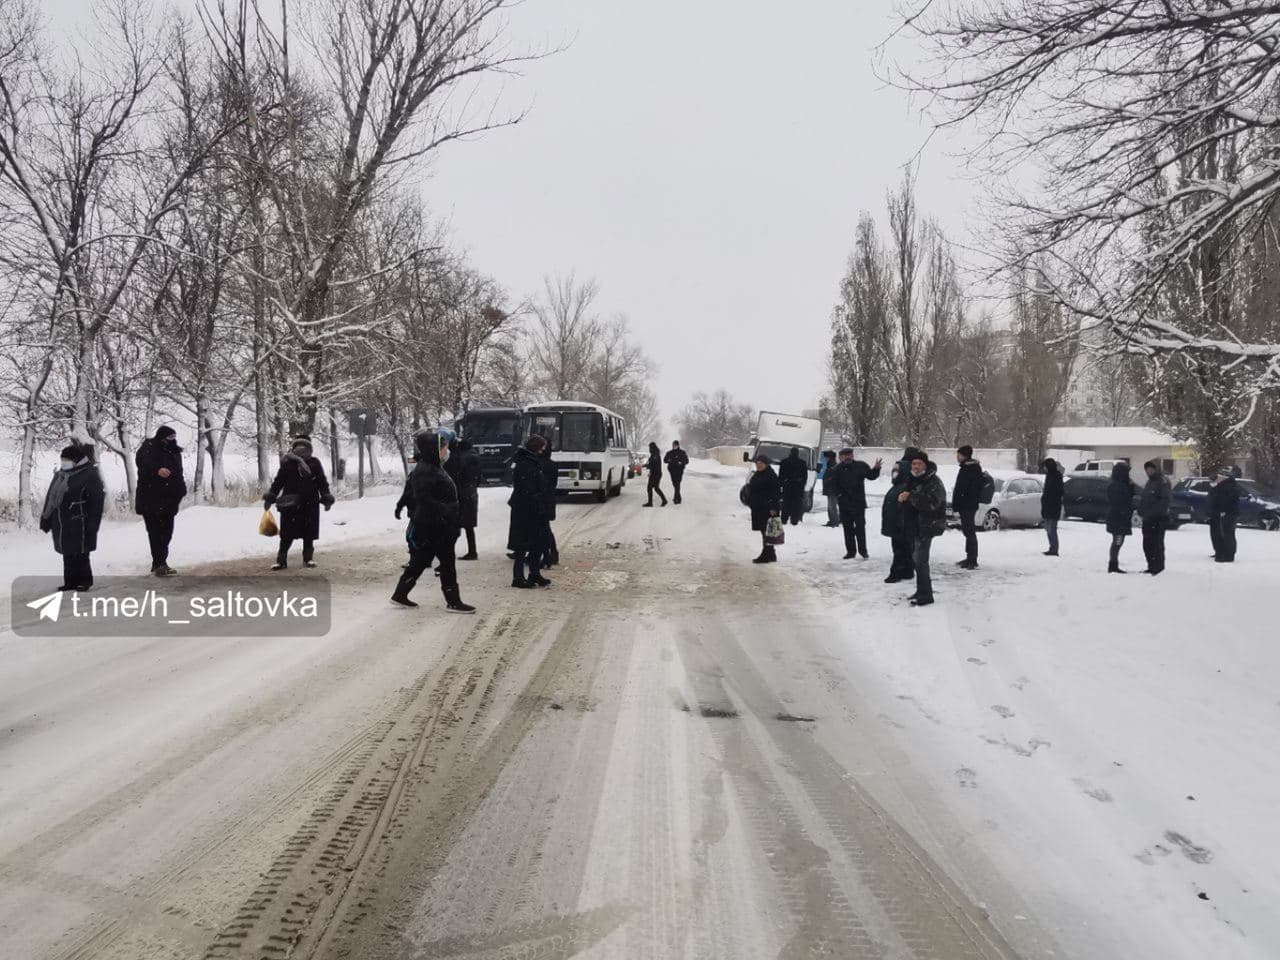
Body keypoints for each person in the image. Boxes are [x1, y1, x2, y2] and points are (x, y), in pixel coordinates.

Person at [391, 429, 475, 612]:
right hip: (436, 525)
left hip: (434, 524)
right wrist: (448, 510)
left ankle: (400, 594)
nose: (447, 452)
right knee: (447, 564)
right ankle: (453, 601)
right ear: (434, 450)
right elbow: (423, 498)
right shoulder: (427, 470)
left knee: (420, 561)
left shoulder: (431, 467)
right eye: (444, 449)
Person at [40, 443, 105, 592]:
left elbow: (96, 502)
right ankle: (70, 582)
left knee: (81, 552)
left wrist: (93, 525)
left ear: (77, 460)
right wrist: (46, 518)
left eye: (66, 460)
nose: (64, 463)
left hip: (80, 519)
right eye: (62, 459)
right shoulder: (60, 474)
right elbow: (51, 497)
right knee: (67, 552)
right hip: (62, 520)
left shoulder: (90, 474)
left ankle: (84, 581)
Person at [264, 435, 334, 570]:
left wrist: (326, 497)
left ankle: (305, 559)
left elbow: (321, 482)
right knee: (288, 535)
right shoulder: (288, 463)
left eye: (304, 447)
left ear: (309, 449)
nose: (301, 450)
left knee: (307, 534)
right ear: (294, 448)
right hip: (292, 504)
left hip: (308, 504)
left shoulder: (314, 463)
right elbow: (278, 482)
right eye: (298, 447)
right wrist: (270, 497)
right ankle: (284, 560)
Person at [134, 425, 186, 576]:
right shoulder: (148, 449)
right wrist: (157, 470)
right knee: (155, 532)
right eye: (169, 438)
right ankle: (159, 563)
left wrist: (181, 489)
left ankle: (160, 562)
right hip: (150, 497)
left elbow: (178, 472)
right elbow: (142, 464)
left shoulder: (175, 452)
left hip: (169, 498)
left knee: (167, 532)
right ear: (161, 437)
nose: (172, 440)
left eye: (174, 437)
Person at [898, 451, 947, 606]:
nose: (916, 467)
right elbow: (909, 500)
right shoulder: (913, 479)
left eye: (919, 464)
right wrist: (902, 499)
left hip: (927, 526)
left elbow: (933, 504)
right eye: (913, 464)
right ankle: (922, 590)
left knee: (921, 561)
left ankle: (926, 595)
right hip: (914, 526)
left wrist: (911, 497)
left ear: (925, 465)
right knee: (917, 560)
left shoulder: (933, 481)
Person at [508, 436, 550, 588]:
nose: (544, 450)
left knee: (536, 543)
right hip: (526, 509)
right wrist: (538, 498)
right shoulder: (526, 464)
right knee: (523, 545)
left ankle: (534, 573)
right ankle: (518, 577)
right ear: (538, 447)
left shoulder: (529, 461)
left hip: (531, 508)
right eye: (542, 447)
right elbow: (528, 488)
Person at [834, 448, 882, 559]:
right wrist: (839, 496)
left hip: (858, 503)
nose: (847, 457)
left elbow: (871, 476)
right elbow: (833, 485)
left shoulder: (861, 465)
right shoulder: (837, 469)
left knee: (860, 528)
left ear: (852, 455)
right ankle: (851, 551)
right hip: (844, 504)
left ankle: (863, 551)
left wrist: (876, 469)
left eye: (849, 455)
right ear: (841, 457)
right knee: (847, 529)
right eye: (845, 455)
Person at [444, 438, 482, 560]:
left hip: (462, 494)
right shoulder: (474, 456)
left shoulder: (460, 458)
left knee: (454, 525)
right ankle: (472, 551)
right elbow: (478, 478)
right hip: (471, 493)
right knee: (468, 526)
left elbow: (454, 474)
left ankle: (448, 552)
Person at [880, 453, 916, 583]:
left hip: (900, 525)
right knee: (904, 548)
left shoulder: (905, 486)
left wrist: (901, 523)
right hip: (897, 524)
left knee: (900, 549)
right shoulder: (899, 485)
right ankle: (907, 570)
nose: (894, 474)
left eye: (897, 472)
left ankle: (896, 573)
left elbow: (904, 508)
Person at [747, 453, 782, 563]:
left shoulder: (771, 476)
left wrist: (772, 508)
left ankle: (766, 554)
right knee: (766, 532)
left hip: (767, 509)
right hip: (759, 508)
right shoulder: (758, 474)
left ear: (766, 464)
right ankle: (771, 554)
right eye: (757, 463)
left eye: (761, 463)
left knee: (767, 532)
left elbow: (775, 494)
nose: (759, 465)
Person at [952, 445, 983, 569]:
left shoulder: (971, 468)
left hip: (968, 505)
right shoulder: (967, 467)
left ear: (964, 455)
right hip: (967, 505)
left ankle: (972, 559)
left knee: (969, 532)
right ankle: (969, 557)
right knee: (967, 531)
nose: (957, 457)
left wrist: (962, 502)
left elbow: (968, 488)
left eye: (958, 454)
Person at [1139, 459, 1171, 575]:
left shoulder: (1163, 482)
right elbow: (1145, 498)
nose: (1149, 471)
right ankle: (1151, 565)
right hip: (1147, 519)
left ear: (1156, 469)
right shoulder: (1149, 482)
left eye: (1151, 469)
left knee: (1156, 544)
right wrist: (1142, 511)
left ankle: (1158, 567)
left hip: (1158, 519)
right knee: (1147, 544)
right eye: (1147, 469)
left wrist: (1153, 513)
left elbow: (1164, 501)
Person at [1105, 462, 1137, 573]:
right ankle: (1113, 564)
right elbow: (1120, 501)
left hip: (1121, 517)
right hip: (1118, 518)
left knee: (1118, 541)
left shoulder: (1121, 484)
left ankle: (1113, 563)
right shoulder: (1116, 485)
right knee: (1117, 541)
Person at [1208, 467, 1242, 563]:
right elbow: (1214, 497)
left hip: (1228, 513)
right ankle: (1220, 551)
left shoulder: (1229, 485)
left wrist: (1223, 510)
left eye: (1220, 476)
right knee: (1218, 533)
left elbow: (1226, 500)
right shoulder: (1220, 485)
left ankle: (1228, 555)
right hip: (1219, 512)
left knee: (1227, 534)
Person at [538, 442, 560, 567]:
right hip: (549, 499)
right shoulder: (552, 465)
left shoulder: (539, 464)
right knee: (545, 527)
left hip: (542, 500)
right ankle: (550, 553)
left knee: (543, 529)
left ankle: (547, 555)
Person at [1040, 458, 1064, 556]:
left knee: (1052, 529)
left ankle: (1054, 549)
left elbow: (1058, 492)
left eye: (1045, 466)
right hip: (1047, 506)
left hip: (1053, 507)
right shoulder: (1049, 476)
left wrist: (1048, 500)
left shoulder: (1057, 476)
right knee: (1048, 529)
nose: (1044, 468)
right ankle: (1052, 547)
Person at [778, 447, 808, 524]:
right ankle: (794, 520)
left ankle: (784, 519)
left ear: (790, 453)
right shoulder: (802, 463)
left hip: (787, 486)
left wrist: (782, 484)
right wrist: (801, 485)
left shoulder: (784, 462)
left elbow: (781, 475)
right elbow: (805, 477)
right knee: (796, 505)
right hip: (798, 488)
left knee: (786, 504)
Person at [818, 450, 839, 527]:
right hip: (830, 489)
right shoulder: (831, 465)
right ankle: (833, 520)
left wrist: (828, 481)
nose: (825, 459)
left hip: (832, 490)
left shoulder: (833, 466)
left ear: (829, 458)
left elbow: (833, 478)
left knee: (832, 506)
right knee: (831, 506)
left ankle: (834, 521)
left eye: (826, 457)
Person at [644, 441, 668, 507]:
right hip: (655, 474)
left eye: (650, 447)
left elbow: (653, 465)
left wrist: (646, 466)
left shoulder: (655, 455)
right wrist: (649, 468)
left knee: (650, 488)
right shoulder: (654, 454)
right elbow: (652, 464)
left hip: (656, 474)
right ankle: (663, 500)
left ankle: (651, 503)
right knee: (655, 488)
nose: (649, 449)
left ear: (652, 447)